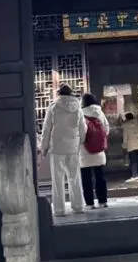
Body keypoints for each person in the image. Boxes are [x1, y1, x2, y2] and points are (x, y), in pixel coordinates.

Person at [40, 84, 85, 216]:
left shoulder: (53, 107)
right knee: (74, 177)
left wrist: (44, 147)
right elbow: (82, 128)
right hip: (73, 147)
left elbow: (46, 129)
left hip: (57, 147)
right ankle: (78, 206)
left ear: (59, 93)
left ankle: (59, 209)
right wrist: (80, 141)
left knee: (57, 179)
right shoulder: (78, 107)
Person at [80, 93, 110, 208]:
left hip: (84, 151)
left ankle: (89, 203)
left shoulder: (80, 114)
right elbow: (106, 129)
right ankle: (103, 201)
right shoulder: (100, 113)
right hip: (99, 151)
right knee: (100, 177)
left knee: (86, 178)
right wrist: (98, 140)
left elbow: (81, 133)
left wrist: (84, 142)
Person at [122, 111, 138, 181]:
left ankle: (135, 175)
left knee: (133, 161)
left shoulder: (125, 126)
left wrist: (124, 145)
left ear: (126, 118)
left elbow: (125, 137)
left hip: (131, 145)